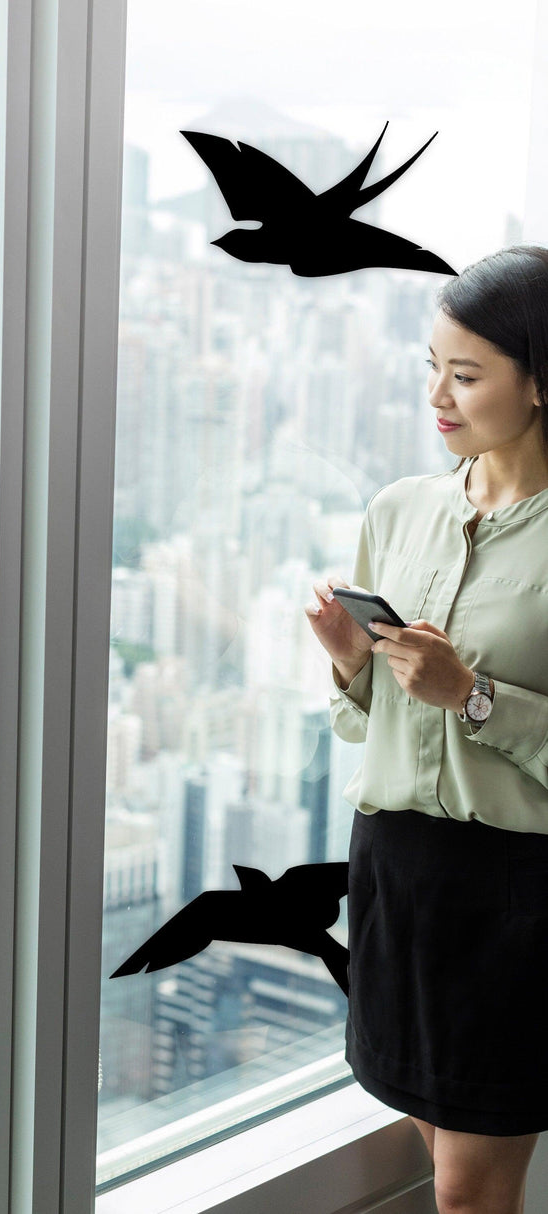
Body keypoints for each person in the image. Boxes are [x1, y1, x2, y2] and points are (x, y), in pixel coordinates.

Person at [306, 245, 548, 1214]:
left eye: (465, 374)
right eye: (430, 368)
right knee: (427, 1127)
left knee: (464, 1191)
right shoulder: (398, 508)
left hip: (519, 891)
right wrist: (348, 661)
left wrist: (471, 694)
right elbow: (360, 724)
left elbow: (458, 699)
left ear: (539, 382)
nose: (437, 397)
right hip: (395, 870)